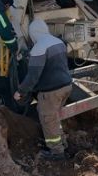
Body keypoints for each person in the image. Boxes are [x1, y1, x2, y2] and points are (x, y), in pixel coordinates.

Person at [13, 18, 73, 160]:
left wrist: (20, 91)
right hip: (66, 86)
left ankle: (56, 152)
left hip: (51, 91)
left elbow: (33, 76)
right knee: (54, 117)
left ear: (33, 33)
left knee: (48, 120)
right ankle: (62, 143)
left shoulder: (39, 48)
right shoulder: (58, 42)